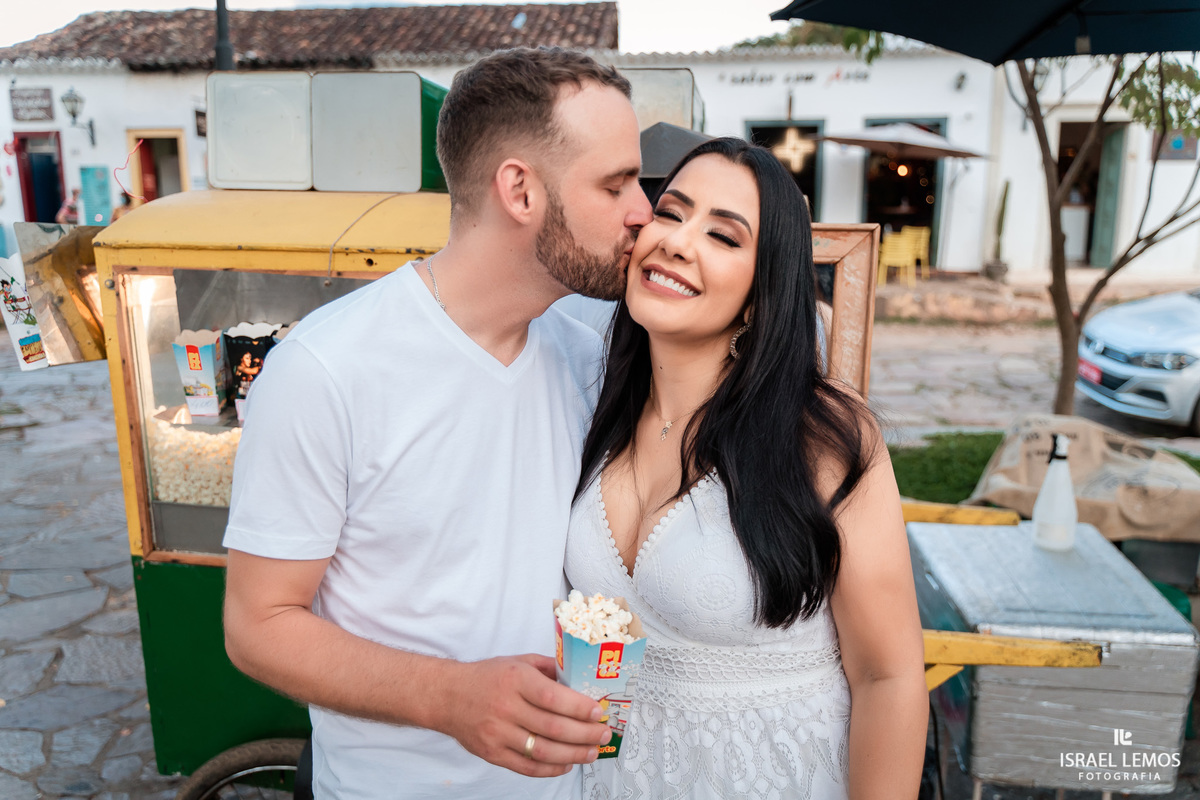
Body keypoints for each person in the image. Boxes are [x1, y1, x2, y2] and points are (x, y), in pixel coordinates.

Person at [221, 47, 652, 799]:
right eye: (615, 184)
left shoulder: (588, 356)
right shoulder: (327, 369)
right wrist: (449, 697)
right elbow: (257, 627)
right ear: (520, 190)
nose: (643, 209)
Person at [566, 137, 928, 799]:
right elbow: (600, 645)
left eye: (724, 237)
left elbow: (889, 678)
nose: (677, 241)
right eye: (671, 214)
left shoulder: (824, 438)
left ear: (763, 294)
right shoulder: (593, 409)